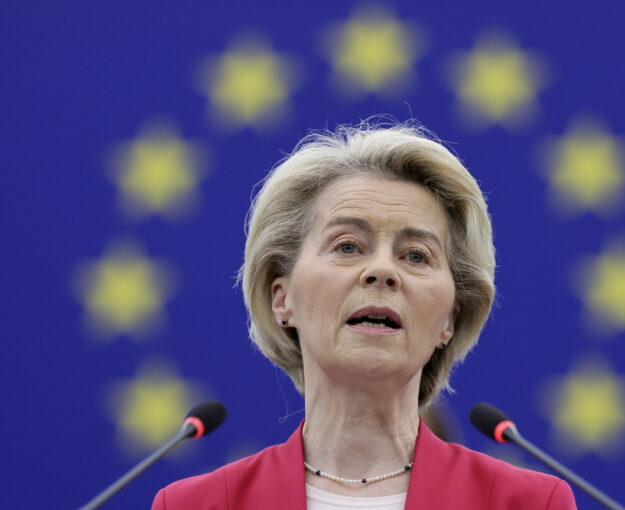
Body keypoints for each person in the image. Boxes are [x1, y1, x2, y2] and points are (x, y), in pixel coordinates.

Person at [152, 119, 577, 509]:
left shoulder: (527, 503)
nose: (382, 271)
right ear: (282, 298)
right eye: (348, 246)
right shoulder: (196, 505)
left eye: (415, 255)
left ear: (450, 318)